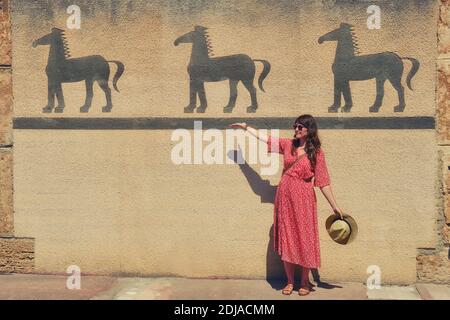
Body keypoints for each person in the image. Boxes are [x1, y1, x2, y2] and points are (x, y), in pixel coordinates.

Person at [229, 114, 344, 296]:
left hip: (304, 199)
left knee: (305, 238)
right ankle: (290, 281)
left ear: (309, 129)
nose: (296, 129)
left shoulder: (317, 153)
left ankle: (305, 282)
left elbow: (323, 182)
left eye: (300, 127)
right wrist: (246, 127)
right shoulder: (287, 145)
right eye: (295, 126)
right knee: (288, 237)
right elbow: (264, 138)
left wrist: (335, 206)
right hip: (285, 198)